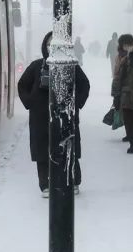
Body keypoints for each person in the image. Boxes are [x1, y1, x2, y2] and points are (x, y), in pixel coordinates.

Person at [18, 31, 91, 199]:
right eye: (49, 44)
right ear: (45, 46)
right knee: (42, 152)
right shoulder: (37, 66)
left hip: (66, 115)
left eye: (55, 44)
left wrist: (76, 103)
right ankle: (45, 184)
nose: (51, 47)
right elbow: (22, 85)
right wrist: (30, 102)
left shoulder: (71, 66)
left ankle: (73, 181)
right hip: (40, 117)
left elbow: (84, 85)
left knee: (69, 147)